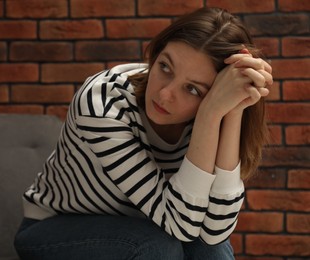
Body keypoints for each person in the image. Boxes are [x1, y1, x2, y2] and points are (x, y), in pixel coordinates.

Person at [14, 7, 273, 260]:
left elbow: (215, 232)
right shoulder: (102, 101)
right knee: (156, 246)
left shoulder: (211, 110)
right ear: (156, 54)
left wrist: (233, 109)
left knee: (208, 250)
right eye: (165, 67)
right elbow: (181, 225)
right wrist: (209, 114)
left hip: (153, 223)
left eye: (192, 89)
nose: (164, 94)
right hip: (53, 229)